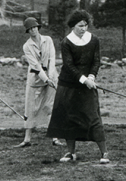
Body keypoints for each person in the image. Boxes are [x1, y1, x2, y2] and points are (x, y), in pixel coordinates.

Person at [47, 9, 109, 164]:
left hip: (87, 85)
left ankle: (104, 153)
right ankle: (70, 152)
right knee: (68, 119)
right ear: (73, 26)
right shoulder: (66, 42)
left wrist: (91, 76)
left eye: (86, 25)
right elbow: (68, 65)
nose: (84, 28)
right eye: (80, 26)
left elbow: (96, 61)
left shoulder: (93, 40)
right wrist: (83, 79)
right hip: (68, 85)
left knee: (93, 118)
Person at [17, 17, 62, 148]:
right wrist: (46, 79)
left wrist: (52, 76)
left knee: (50, 106)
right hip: (35, 80)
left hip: (51, 76)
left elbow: (52, 58)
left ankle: (55, 137)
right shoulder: (27, 46)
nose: (33, 30)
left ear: (38, 27)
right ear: (27, 31)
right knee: (31, 108)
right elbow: (35, 66)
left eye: (34, 27)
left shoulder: (48, 40)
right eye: (30, 29)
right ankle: (27, 139)